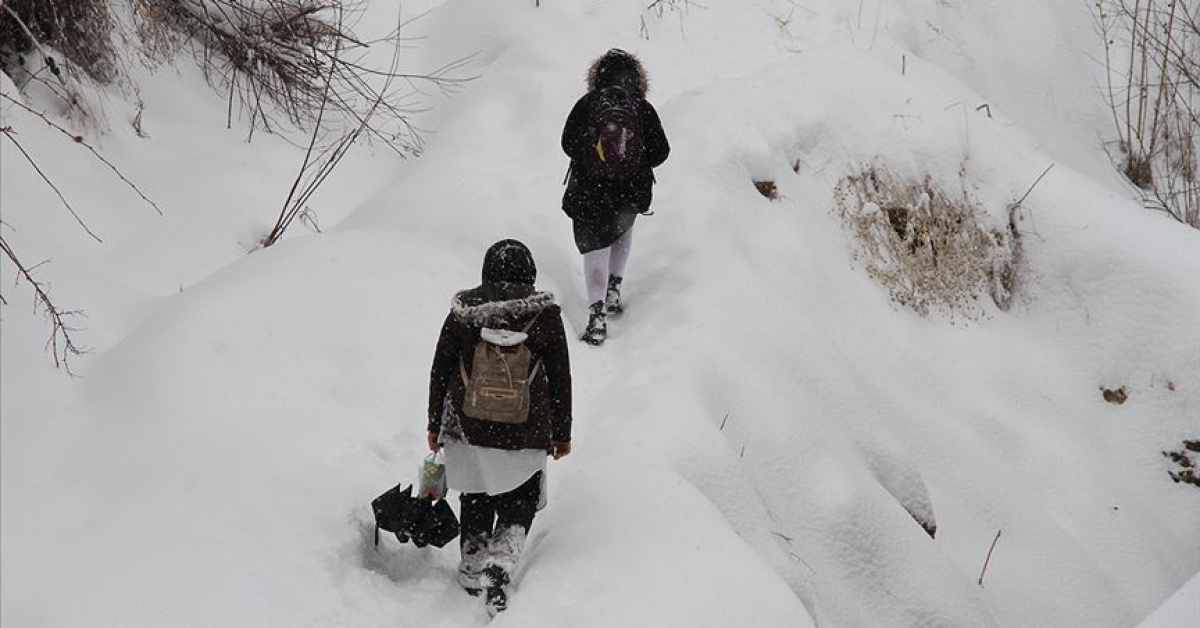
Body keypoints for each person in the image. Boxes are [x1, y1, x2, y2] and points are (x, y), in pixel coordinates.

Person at [426, 239, 573, 617]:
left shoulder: (464, 313)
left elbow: (441, 369)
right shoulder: (545, 316)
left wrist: (433, 424)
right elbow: (560, 378)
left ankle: (473, 561)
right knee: (520, 495)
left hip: (467, 424)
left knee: (476, 491)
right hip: (526, 428)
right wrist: (562, 432)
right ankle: (502, 562)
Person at [561, 48, 670, 345]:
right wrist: (632, 161)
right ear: (637, 79)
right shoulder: (642, 108)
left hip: (588, 191)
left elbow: (567, 143)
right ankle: (614, 288)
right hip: (628, 192)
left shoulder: (587, 104)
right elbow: (661, 152)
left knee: (594, 247)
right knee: (621, 229)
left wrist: (593, 156)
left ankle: (597, 315)